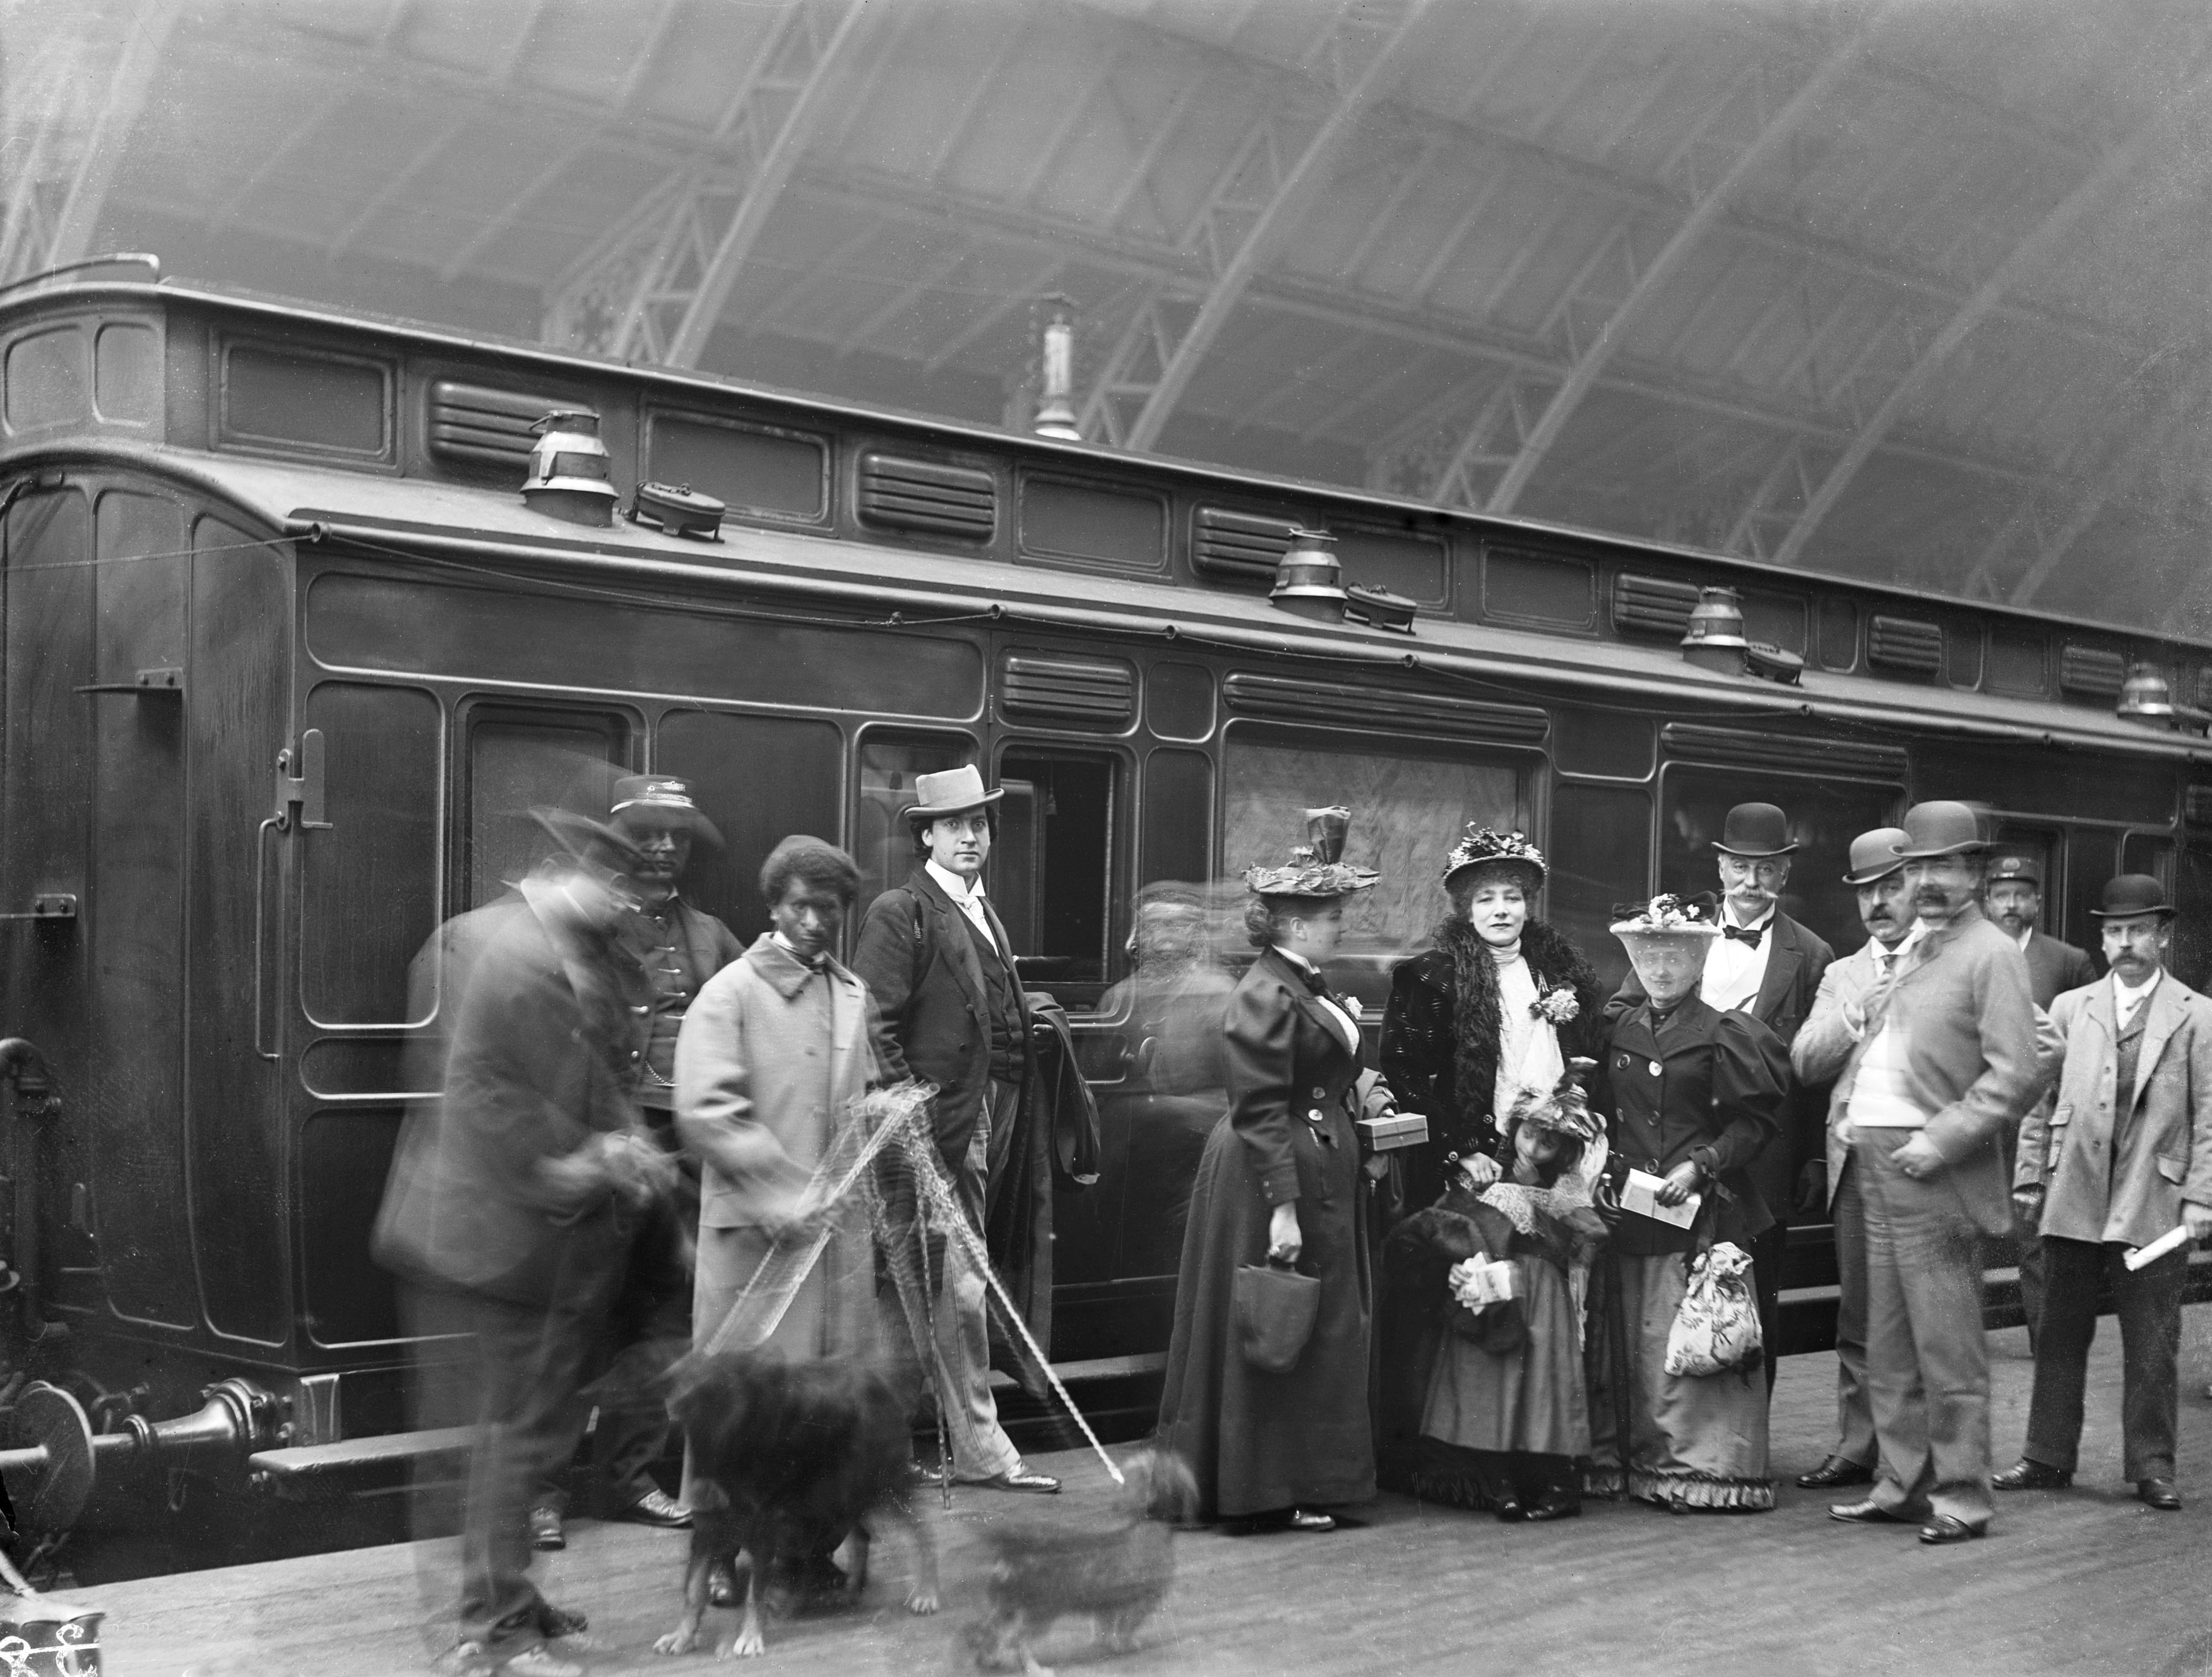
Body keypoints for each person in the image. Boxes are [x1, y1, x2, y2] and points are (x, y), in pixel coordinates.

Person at [375, 812, 673, 1677]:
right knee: (500, 1444)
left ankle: (512, 1600)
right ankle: (491, 1634)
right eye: (611, 884)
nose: (624, 904)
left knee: (528, 1438)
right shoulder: (503, 954)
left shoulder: (565, 948)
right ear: (562, 871)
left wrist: (627, 1144)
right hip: (481, 1241)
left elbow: (595, 1074)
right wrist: (579, 1161)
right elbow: (473, 1091)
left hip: (535, 1243)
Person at [529, 776, 741, 1553]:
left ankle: (628, 1477)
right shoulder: (587, 932)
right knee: (573, 1325)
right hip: (600, 1153)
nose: (662, 849)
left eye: (675, 836)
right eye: (647, 834)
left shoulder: (715, 938)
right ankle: (541, 1494)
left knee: (663, 1324)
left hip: (676, 1162)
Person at [1155, 813, 1383, 1530]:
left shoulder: (1302, 980)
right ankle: (1260, 1490)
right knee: (1273, 1318)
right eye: (1329, 915)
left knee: (1303, 1323)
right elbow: (1257, 1110)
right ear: (1293, 924)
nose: (1340, 924)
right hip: (1267, 1175)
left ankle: (1295, 1480)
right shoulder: (1265, 992)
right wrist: (1282, 1208)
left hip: (1305, 1165)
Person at [674, 835, 891, 1587]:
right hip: (757, 1251)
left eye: (828, 909)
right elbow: (705, 1112)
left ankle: (804, 1551)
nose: (814, 922)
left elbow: (857, 1102)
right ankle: (723, 1559)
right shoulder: (729, 993)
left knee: (820, 1406)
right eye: (800, 906)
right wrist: (779, 1195)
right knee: (736, 1412)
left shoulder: (852, 994)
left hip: (830, 1252)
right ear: (773, 907)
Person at [1823, 801, 2042, 1546]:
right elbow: (1884, 1047)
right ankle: (1902, 1483)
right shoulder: (1921, 948)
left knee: (1947, 1346)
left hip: (1933, 1171)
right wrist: (1856, 1105)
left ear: (1976, 872)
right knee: (1887, 1343)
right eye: (1917, 868)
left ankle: (1963, 1497)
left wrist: (1943, 1140)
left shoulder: (1992, 953)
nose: (1928, 882)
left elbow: (2019, 1072)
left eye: (1944, 866)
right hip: (1879, 1164)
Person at [849, 765, 1059, 1495]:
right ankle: (980, 1450)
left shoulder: (982, 911)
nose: (971, 835)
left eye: (981, 823)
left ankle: (884, 1447)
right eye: (955, 824)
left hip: (987, 1115)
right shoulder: (901, 909)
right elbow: (871, 1021)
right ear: (927, 834)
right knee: (953, 1284)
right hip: (936, 1127)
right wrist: (909, 1108)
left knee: (931, 1285)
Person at [1376, 826, 1602, 1492]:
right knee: (1475, 1295)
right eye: (1486, 900)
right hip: (1474, 1164)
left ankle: (1534, 1444)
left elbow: (1586, 1057)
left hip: (1544, 1164)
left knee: (1536, 1302)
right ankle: (1468, 1457)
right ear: (1465, 910)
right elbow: (1407, 1072)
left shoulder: (1566, 974)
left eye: (1512, 897)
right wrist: (1461, 1149)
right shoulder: (1428, 976)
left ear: (1528, 904)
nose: (1501, 910)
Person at [1999, 874, 2212, 1512]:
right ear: (2103, 937)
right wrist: (2030, 1177)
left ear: (2163, 936)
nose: (2126, 943)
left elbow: (2211, 1112)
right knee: (2058, 1332)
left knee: (2152, 1341)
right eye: (2116, 931)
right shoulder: (2072, 1007)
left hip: (2152, 1197)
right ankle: (2046, 1456)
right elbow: (2039, 1105)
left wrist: (2202, 1197)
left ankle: (2152, 1465)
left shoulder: (2198, 1014)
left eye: (2139, 930)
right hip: (2073, 1191)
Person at [1610, 801, 1831, 1390]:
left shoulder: (1810, 954)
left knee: (1755, 1292)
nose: (1752, 884)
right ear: (1721, 870)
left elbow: (1816, 1074)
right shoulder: (1681, 932)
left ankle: (1747, 1444)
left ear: (1784, 875)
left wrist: (1813, 1156)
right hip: (1679, 1139)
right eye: (1740, 868)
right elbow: (1625, 1010)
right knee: (1678, 1288)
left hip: (1767, 1151)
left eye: (1766, 871)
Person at [1588, 895, 1788, 1512]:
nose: (1661, 970)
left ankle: (1698, 1468)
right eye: (1648, 958)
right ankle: (1638, 1460)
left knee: (1687, 1330)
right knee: (1636, 1334)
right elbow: (1602, 1114)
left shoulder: (1725, 1031)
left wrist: (1702, 1164)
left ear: (1698, 962)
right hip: (1633, 1209)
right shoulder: (1615, 1027)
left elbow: (1754, 1125)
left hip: (1701, 1212)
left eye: (1675, 958)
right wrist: (1601, 1170)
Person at [1388, 1066, 1608, 1522]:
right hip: (1491, 1287)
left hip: (1541, 1293)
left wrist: (1539, 1197)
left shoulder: (1565, 1188)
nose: (1533, 1148)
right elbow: (1447, 1223)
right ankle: (1499, 1481)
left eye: (1547, 1144)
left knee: (1541, 1384)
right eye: (1528, 1135)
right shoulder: (1487, 1172)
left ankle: (1558, 1483)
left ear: (1565, 1150)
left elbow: (1586, 1236)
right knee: (1489, 1382)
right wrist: (1454, 1267)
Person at [1790, 827, 1917, 1493]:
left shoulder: (1946, 959)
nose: (1878, 902)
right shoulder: (1843, 973)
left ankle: (1917, 1461)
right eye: (1868, 890)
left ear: (1917, 887)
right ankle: (1858, 1446)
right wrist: (1855, 1019)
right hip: (1858, 1167)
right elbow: (1805, 1062)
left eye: (1891, 887)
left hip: (1927, 1163)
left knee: (1924, 1317)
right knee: (1860, 1316)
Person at [1985, 853, 2098, 1347]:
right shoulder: (1970, 955)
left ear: (2036, 901)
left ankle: (2044, 1340)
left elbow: (2089, 1046)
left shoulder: (2067, 961)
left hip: (2038, 1121)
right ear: (1987, 902)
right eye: (2001, 895)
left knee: (2035, 1238)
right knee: (1966, 1233)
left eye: (2021, 895)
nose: (2011, 904)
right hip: (1979, 1117)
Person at [1101, 883, 1234, 1277]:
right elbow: (1093, 1092)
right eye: (1156, 926)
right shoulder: (1119, 999)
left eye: (1178, 926)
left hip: (1195, 1157)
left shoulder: (1219, 994)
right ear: (1139, 936)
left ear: (1196, 935)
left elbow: (1239, 1092)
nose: (1166, 938)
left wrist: (1152, 1113)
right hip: (1131, 1165)